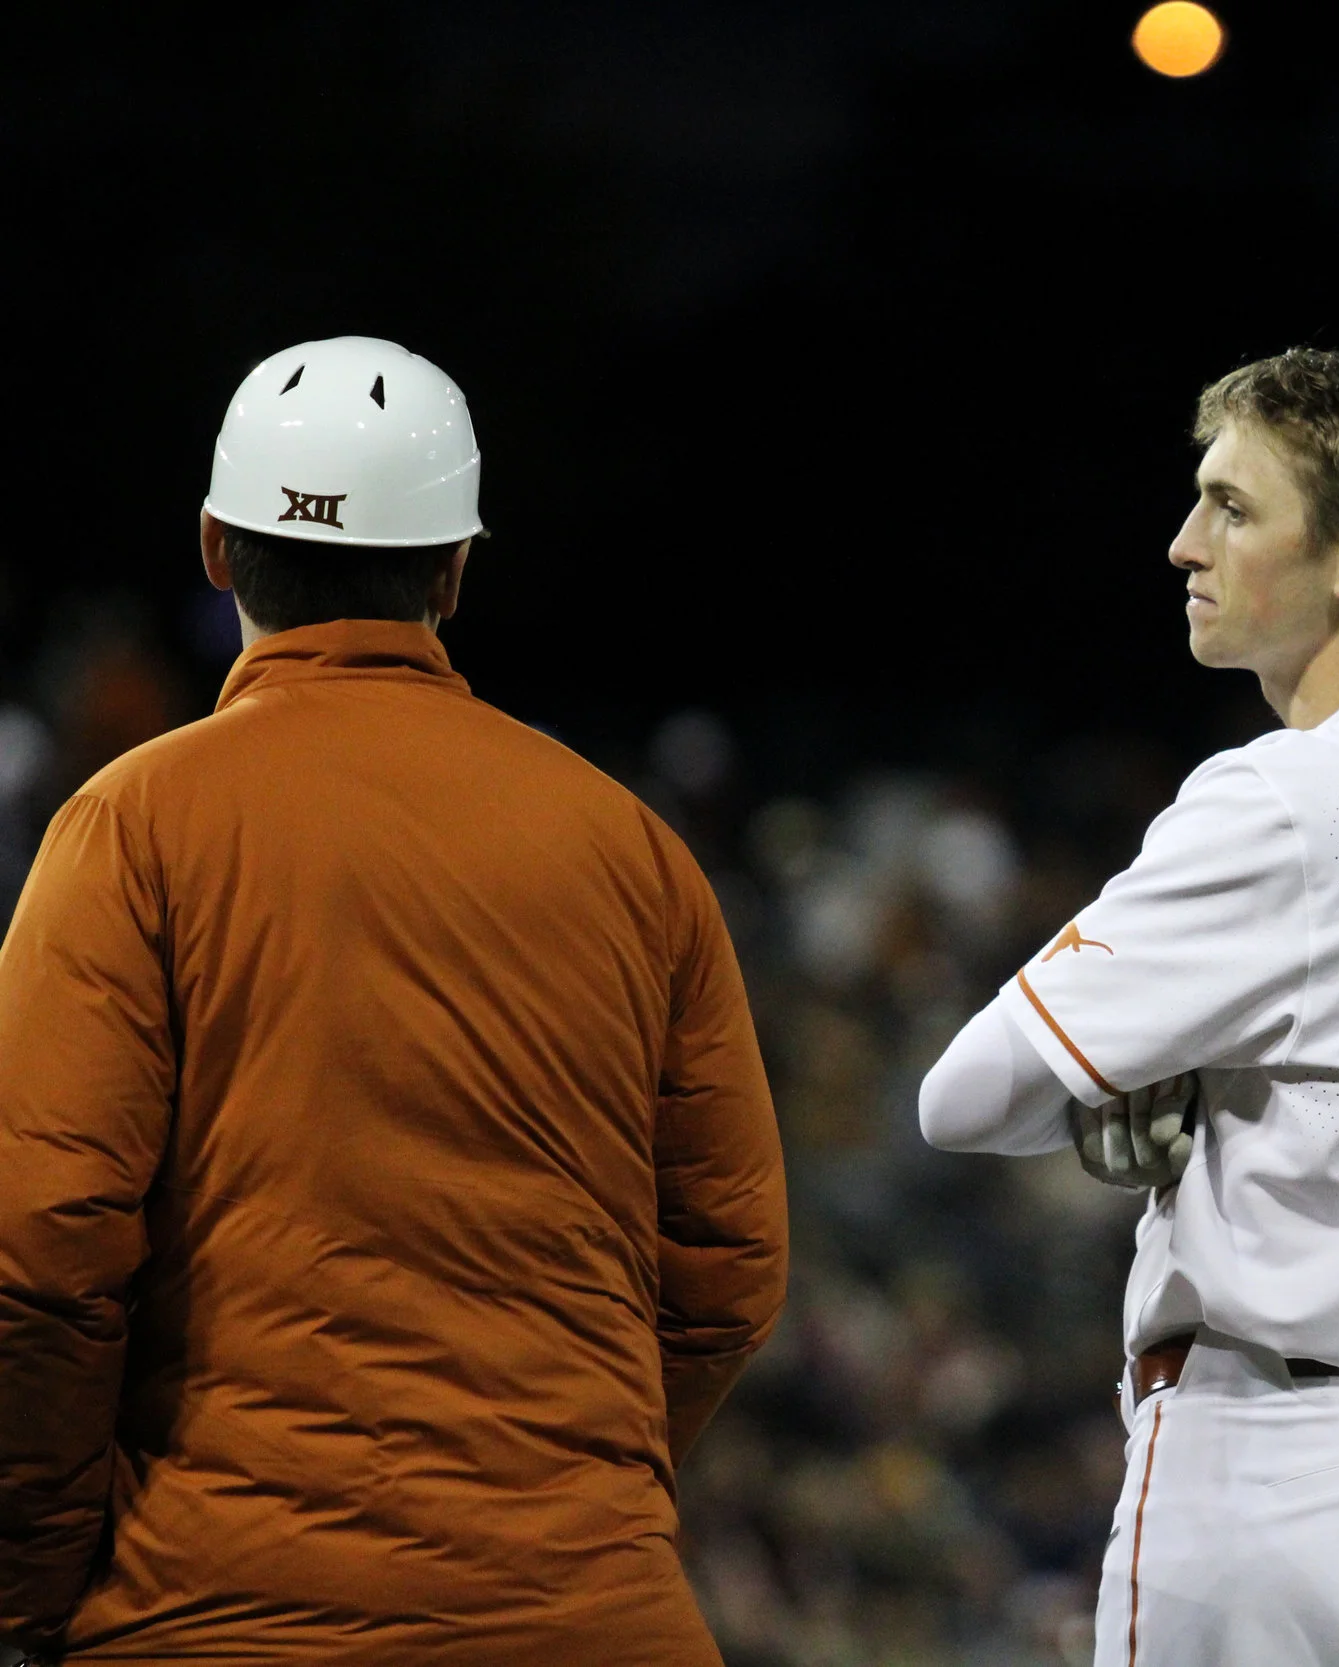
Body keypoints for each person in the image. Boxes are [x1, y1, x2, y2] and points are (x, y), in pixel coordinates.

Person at [0, 337, 787, 1665]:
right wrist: (557, 1490)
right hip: (591, 1619)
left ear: (212, 544)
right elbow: (731, 1268)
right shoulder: (630, 846)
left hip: (217, 1614)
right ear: (456, 567)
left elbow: (37, 1252)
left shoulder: (131, 824)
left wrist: (27, 1594)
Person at [919, 347, 1339, 1665]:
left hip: (1267, 1459)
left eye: (1231, 505)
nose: (1182, 544)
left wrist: (1135, 1090)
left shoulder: (1279, 792)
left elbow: (963, 1095)